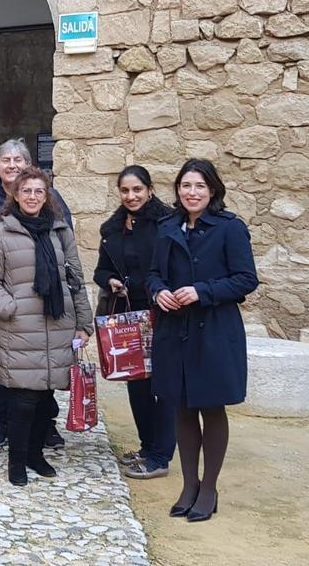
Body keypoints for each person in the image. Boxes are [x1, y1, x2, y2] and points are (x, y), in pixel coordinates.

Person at [147, 159, 258, 522]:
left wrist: (202, 291)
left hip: (214, 331)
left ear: (212, 190)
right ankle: (189, 484)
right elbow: (152, 274)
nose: (191, 192)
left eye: (199, 186)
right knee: (180, 406)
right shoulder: (167, 227)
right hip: (173, 330)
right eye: (185, 185)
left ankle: (209, 487)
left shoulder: (230, 229)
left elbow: (245, 279)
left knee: (211, 407)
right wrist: (159, 291)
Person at [0, 167, 93, 487]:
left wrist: (84, 323)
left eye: (38, 192)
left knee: (45, 398)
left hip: (57, 323)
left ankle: (35, 454)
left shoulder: (60, 231)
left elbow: (75, 280)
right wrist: (7, 306)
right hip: (19, 325)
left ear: (48, 196)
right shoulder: (0, 232)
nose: (32, 197)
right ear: (14, 195)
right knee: (23, 399)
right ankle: (17, 459)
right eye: (25, 191)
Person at [0, 138, 73, 449]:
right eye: (6, 161)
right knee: (2, 361)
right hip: (1, 298)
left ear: (29, 166)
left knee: (45, 360)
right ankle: (2, 421)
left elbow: (67, 245)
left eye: (19, 160)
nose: (13, 166)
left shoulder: (51, 200)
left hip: (44, 297)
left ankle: (46, 421)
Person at [93, 166, 175, 481]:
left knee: (162, 385)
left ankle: (160, 456)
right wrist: (112, 280)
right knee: (137, 384)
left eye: (137, 190)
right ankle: (147, 446)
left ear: (149, 190)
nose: (131, 196)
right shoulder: (113, 228)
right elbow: (101, 270)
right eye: (125, 191)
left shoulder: (167, 224)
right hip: (128, 315)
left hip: (161, 313)